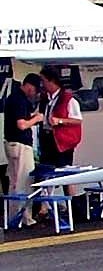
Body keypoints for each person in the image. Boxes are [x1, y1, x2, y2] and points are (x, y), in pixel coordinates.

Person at [4, 74, 45, 226]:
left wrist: (31, 117)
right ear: (29, 86)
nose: (35, 93)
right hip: (21, 145)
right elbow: (21, 125)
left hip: (11, 144)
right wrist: (37, 119)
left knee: (14, 183)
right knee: (25, 181)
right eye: (35, 89)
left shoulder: (12, 98)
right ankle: (24, 218)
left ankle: (13, 216)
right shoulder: (20, 99)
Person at [38, 66, 83, 169]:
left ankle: (69, 185)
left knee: (64, 171)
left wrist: (60, 121)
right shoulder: (45, 99)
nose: (42, 84)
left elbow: (78, 120)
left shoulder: (68, 99)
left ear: (51, 81)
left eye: (43, 81)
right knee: (46, 170)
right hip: (47, 139)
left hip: (62, 142)